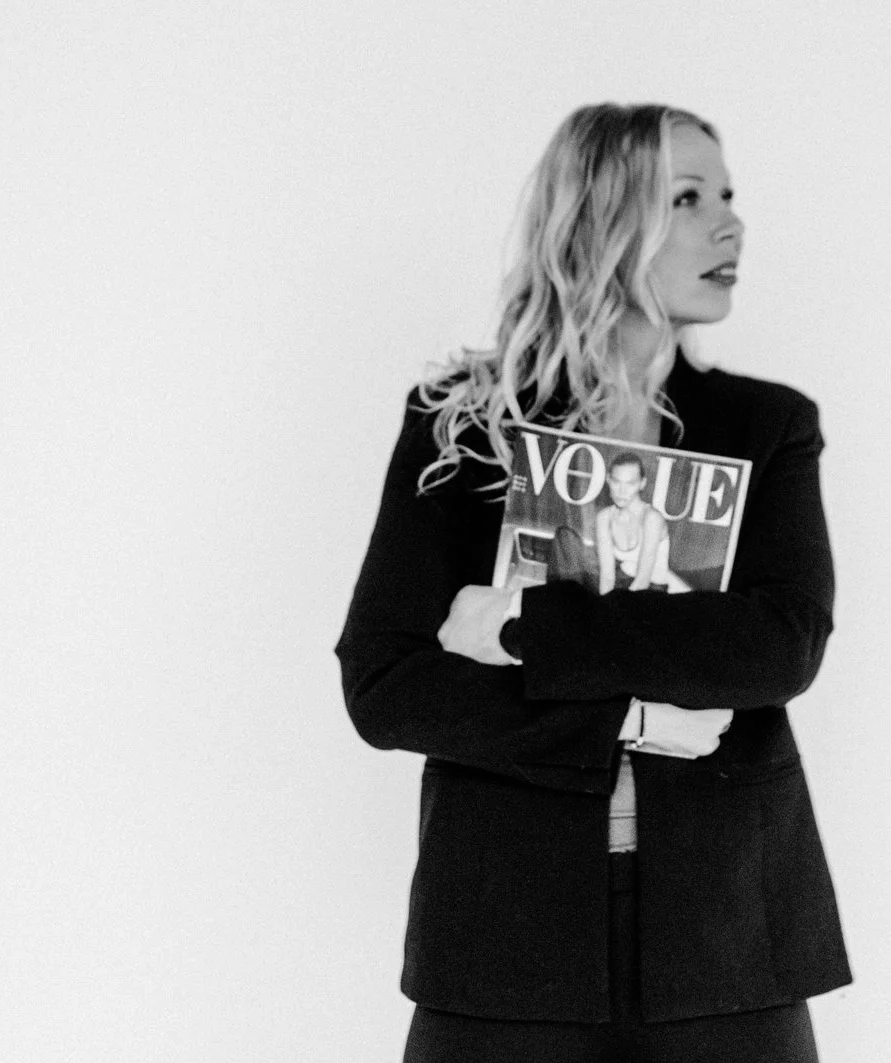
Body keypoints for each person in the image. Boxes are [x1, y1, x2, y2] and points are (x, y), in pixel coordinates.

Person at [335, 102, 849, 1063]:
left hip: (727, 941)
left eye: (726, 196)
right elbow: (386, 684)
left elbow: (777, 645)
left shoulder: (767, 427)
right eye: (687, 198)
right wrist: (639, 715)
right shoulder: (463, 423)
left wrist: (522, 629)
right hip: (501, 940)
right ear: (602, 219)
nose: (730, 225)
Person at [594, 453, 690, 595]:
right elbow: (607, 577)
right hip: (627, 587)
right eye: (616, 482)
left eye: (630, 484)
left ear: (642, 483)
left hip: (656, 593)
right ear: (608, 479)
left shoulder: (652, 518)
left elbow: (642, 581)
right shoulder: (604, 517)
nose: (622, 491)